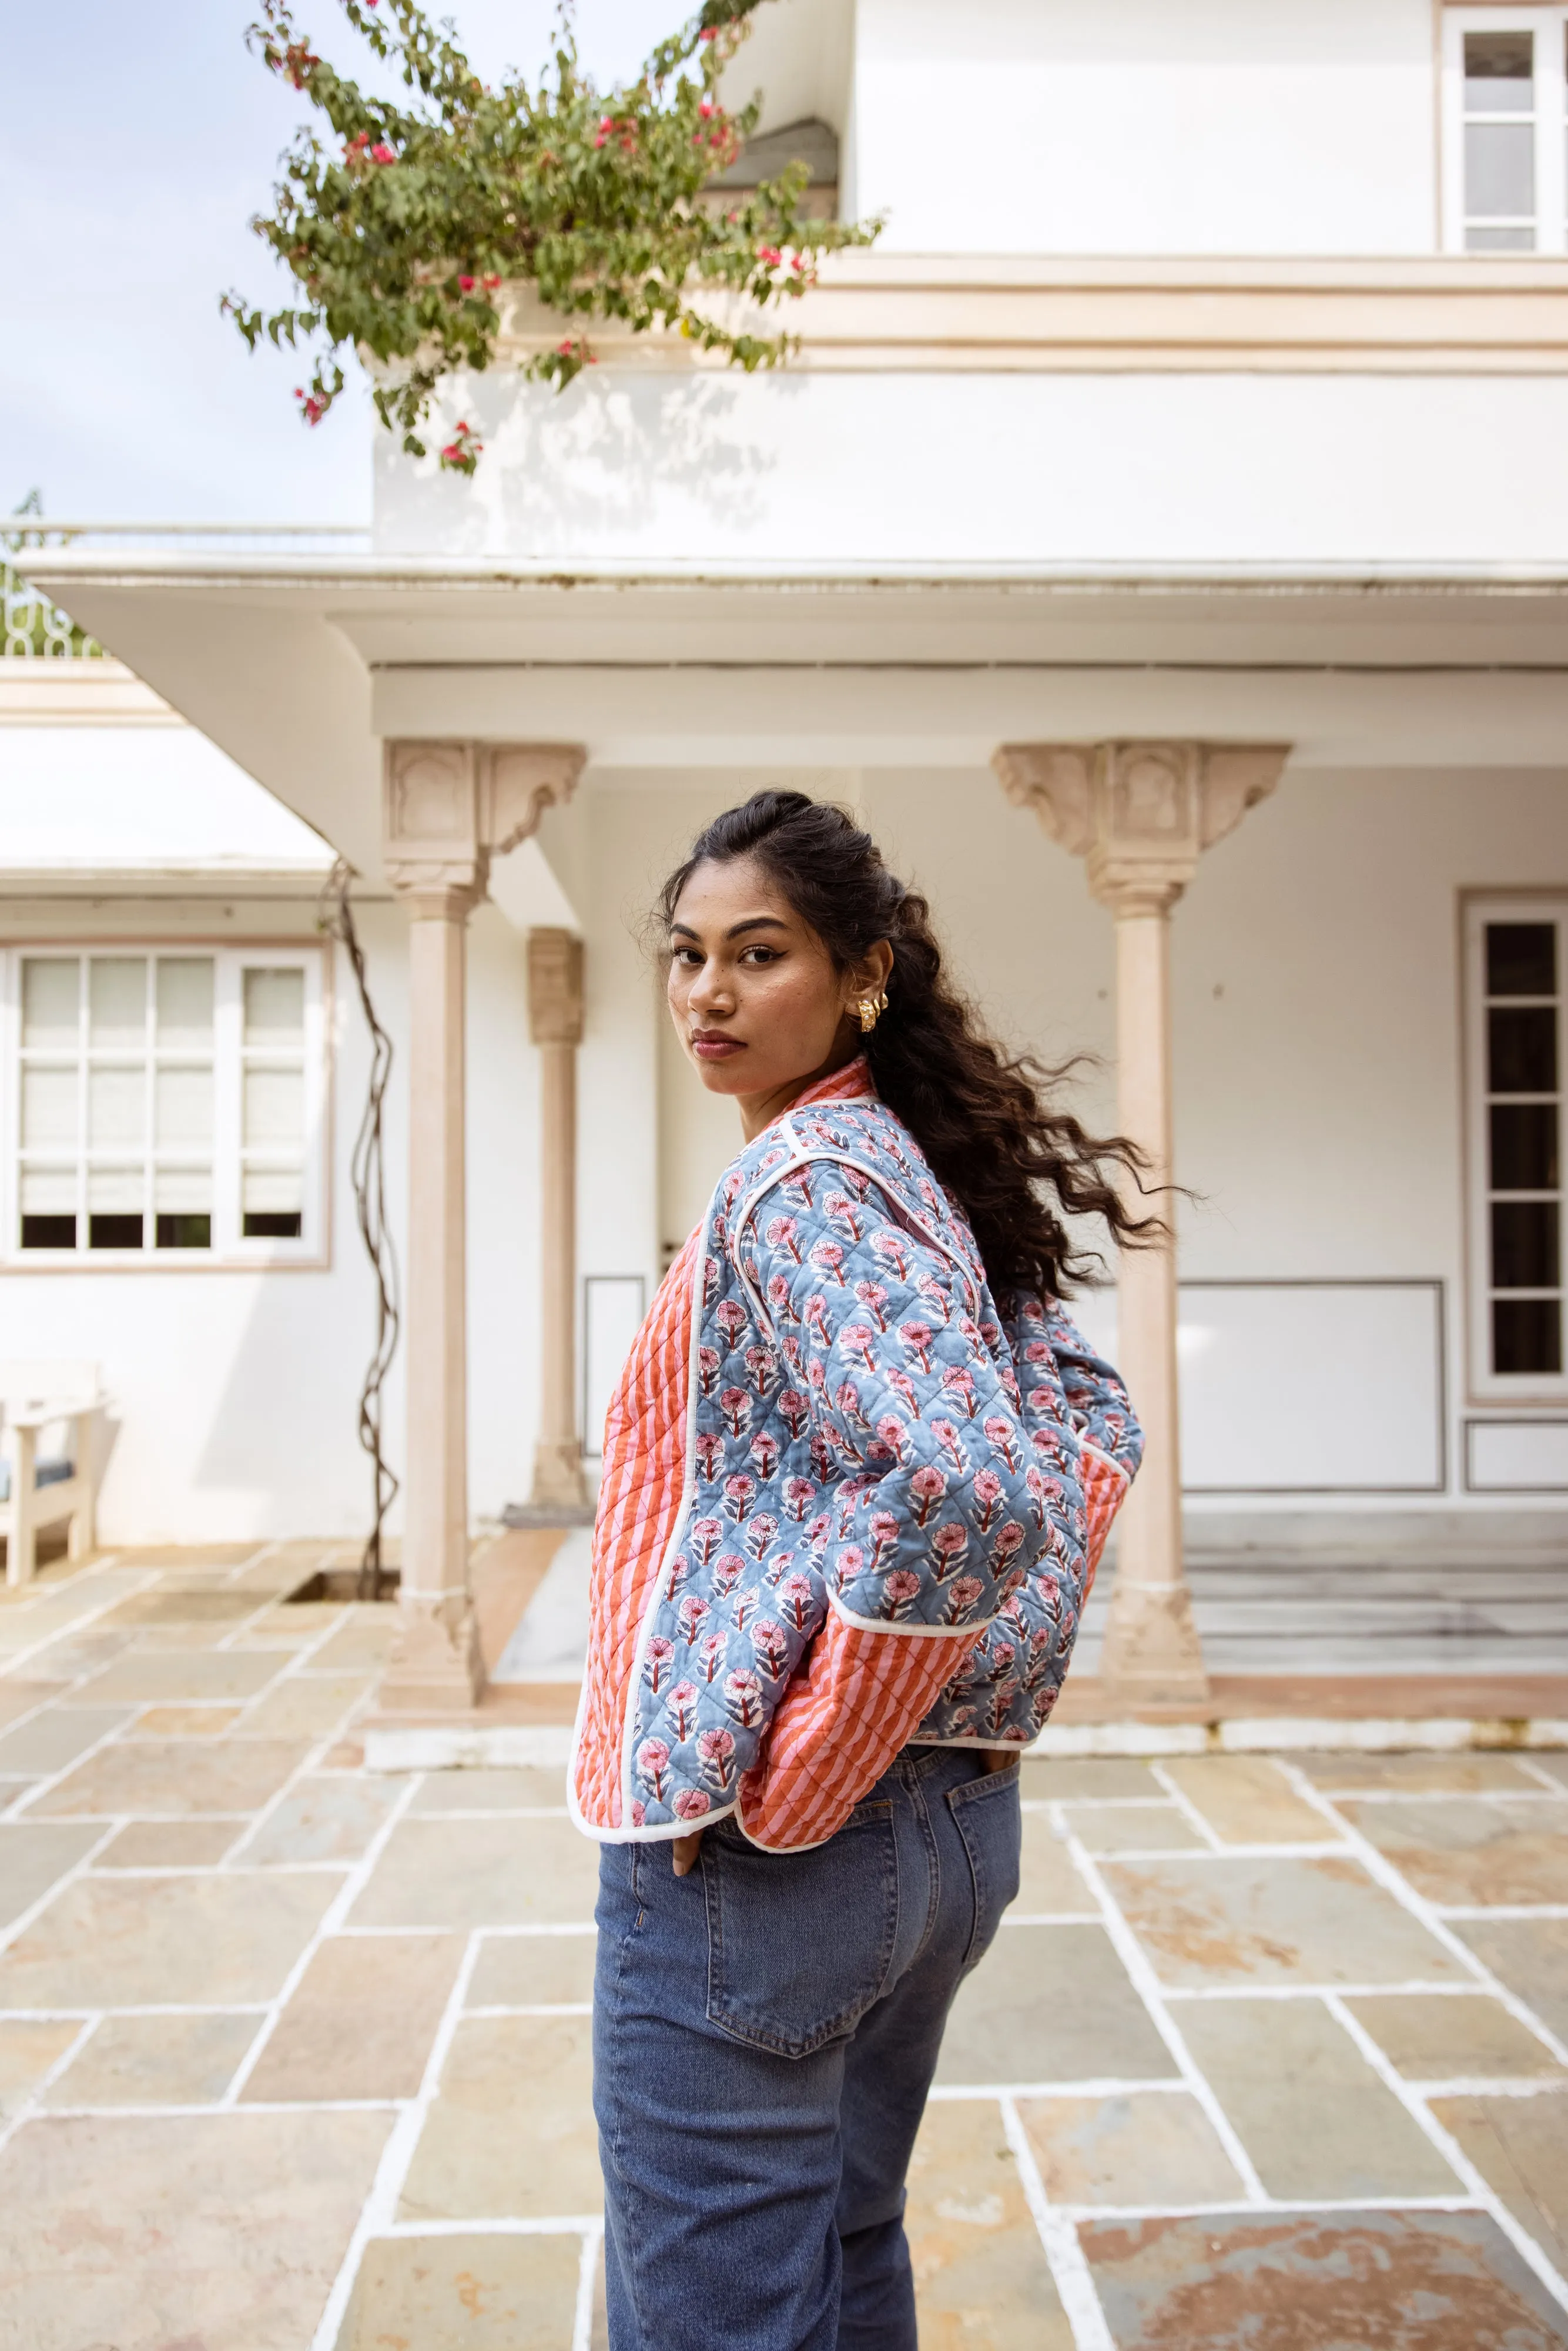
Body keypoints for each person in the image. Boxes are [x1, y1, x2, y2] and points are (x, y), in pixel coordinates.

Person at [569, 791, 1152, 2351]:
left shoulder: (804, 1188)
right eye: (686, 956)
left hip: (780, 1860)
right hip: (946, 1842)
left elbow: (965, 1475)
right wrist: (979, 1688)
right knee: (841, 2245)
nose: (705, 992)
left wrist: (826, 1745)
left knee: (721, 2316)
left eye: (757, 954)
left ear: (860, 975)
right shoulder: (911, 1177)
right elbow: (1084, 1429)